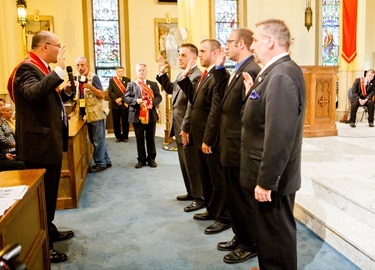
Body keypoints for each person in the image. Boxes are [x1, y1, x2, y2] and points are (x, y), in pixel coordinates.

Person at [241, 19, 306, 270]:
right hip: (268, 173)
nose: (252, 45)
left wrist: (266, 181)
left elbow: (279, 135)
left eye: (255, 40)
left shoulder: (281, 75)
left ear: (269, 41)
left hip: (273, 178)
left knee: (276, 233)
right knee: (268, 233)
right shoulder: (274, 72)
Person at [7, 30, 76, 263]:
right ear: (45, 47)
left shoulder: (41, 69)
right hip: (38, 145)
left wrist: (64, 93)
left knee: (50, 193)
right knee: (42, 196)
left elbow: (47, 99)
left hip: (49, 142)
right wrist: (59, 70)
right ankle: (45, 244)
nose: (60, 50)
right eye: (58, 46)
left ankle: (50, 228)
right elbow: (32, 94)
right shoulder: (26, 68)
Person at [213, 28, 260, 264]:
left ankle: (249, 243)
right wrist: (220, 69)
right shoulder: (238, 68)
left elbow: (248, 114)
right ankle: (239, 234)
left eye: (229, 42)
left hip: (238, 146)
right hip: (229, 143)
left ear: (241, 43)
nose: (226, 46)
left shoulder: (252, 70)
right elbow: (224, 102)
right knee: (232, 196)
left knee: (241, 198)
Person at [178, 39, 230, 234]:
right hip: (199, 136)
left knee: (217, 179)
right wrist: (184, 78)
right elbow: (196, 100)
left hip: (210, 138)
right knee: (206, 177)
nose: (199, 55)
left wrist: (208, 139)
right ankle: (211, 209)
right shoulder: (205, 75)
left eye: (202, 51)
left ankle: (223, 217)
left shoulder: (219, 75)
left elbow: (216, 111)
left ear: (215, 53)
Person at [156, 43, 205, 213]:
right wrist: (162, 74)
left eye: (183, 55)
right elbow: (171, 90)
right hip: (178, 125)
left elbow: (192, 105)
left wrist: (186, 127)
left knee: (192, 163)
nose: (179, 58)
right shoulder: (182, 74)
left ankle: (200, 197)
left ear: (193, 58)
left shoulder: (196, 76)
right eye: (179, 55)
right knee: (184, 163)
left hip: (187, 127)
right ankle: (191, 192)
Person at [75, 56, 112, 172]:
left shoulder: (93, 78)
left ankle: (100, 163)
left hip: (96, 113)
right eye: (78, 65)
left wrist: (90, 87)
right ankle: (106, 160)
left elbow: (102, 94)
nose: (80, 68)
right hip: (87, 113)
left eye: (82, 65)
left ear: (87, 66)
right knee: (96, 139)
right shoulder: (78, 79)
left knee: (97, 140)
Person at [125, 63, 162, 168]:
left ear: (146, 71)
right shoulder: (131, 84)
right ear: (136, 72)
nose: (141, 72)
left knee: (151, 138)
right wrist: (136, 100)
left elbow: (159, 97)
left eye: (143, 70)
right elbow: (126, 98)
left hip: (150, 115)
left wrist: (151, 103)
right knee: (139, 138)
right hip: (137, 115)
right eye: (139, 70)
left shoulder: (153, 84)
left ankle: (151, 159)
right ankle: (141, 160)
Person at [108, 66, 131, 142]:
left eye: (122, 71)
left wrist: (121, 98)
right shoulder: (112, 80)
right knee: (116, 121)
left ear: (123, 72)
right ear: (116, 72)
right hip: (115, 104)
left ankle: (125, 136)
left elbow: (128, 91)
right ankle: (118, 137)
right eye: (119, 71)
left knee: (125, 121)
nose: (120, 73)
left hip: (124, 103)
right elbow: (110, 92)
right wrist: (116, 99)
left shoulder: (127, 80)